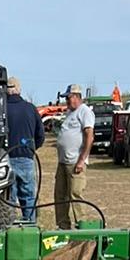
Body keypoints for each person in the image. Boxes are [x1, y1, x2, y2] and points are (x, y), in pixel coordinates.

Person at [4, 76, 44, 225]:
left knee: (9, 199)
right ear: (19, 89)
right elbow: (40, 135)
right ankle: (31, 227)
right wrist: (31, 150)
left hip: (5, 159)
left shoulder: (1, 109)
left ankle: (10, 228)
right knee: (28, 196)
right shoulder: (30, 108)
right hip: (26, 158)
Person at [54, 84, 95, 227]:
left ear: (77, 97)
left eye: (69, 98)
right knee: (60, 195)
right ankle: (63, 225)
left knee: (75, 194)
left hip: (75, 162)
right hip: (63, 162)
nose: (67, 101)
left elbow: (89, 136)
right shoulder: (70, 112)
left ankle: (81, 225)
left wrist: (81, 160)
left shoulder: (84, 112)